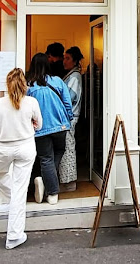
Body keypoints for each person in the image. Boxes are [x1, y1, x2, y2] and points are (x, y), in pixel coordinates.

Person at [0, 68, 42, 250]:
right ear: (24, 84)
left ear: (7, 83)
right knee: (19, 191)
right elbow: (39, 125)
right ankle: (14, 235)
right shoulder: (31, 102)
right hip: (26, 147)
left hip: (4, 147)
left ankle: (8, 201)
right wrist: (30, 124)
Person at [27, 52, 73, 205]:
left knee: (46, 158)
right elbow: (67, 103)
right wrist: (68, 119)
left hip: (39, 128)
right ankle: (50, 190)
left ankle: (50, 189)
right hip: (60, 125)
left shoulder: (29, 85)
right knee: (59, 151)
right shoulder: (58, 81)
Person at [58, 46, 83, 191]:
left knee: (68, 149)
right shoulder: (71, 75)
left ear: (74, 61)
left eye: (67, 58)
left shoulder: (74, 77)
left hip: (69, 118)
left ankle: (69, 182)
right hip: (68, 118)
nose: (64, 61)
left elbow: (68, 97)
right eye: (64, 58)